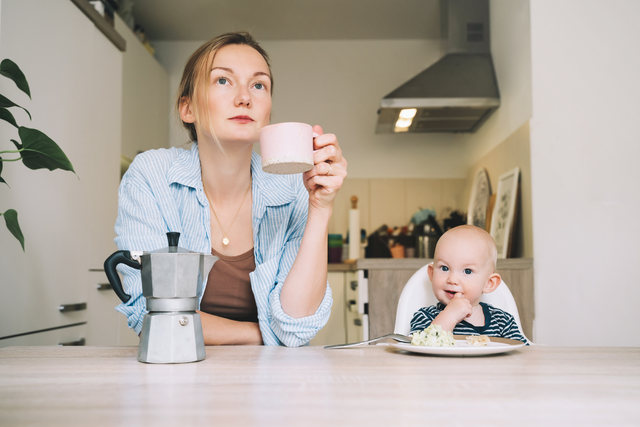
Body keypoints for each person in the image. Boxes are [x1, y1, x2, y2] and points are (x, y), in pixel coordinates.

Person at [113, 32, 347, 347]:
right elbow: (150, 314)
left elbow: (296, 326)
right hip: (178, 380)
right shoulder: (151, 176)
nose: (244, 98)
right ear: (188, 109)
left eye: (258, 84)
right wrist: (264, 335)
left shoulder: (295, 188)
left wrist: (321, 207)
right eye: (223, 81)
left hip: (274, 385)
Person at [409, 225, 529, 344]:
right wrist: (450, 316)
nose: (452, 279)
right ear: (432, 273)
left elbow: (522, 353)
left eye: (467, 271)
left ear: (489, 283)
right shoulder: (425, 317)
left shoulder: (503, 322)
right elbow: (420, 347)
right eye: (444, 268)